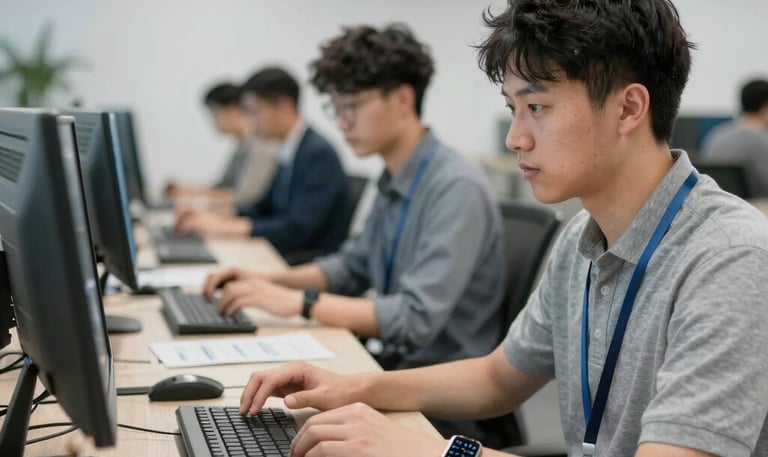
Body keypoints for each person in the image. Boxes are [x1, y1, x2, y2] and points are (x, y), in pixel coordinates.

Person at [231, 1, 768, 457]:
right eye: (513, 109)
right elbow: (497, 379)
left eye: (536, 107)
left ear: (628, 107)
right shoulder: (582, 237)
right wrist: (351, 387)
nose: (515, 138)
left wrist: (432, 450)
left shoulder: (728, 257)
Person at [203, 23, 505, 438]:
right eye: (335, 108)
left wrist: (299, 302)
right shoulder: (394, 176)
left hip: (437, 403)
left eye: (353, 106)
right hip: (386, 370)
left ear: (402, 99)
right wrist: (267, 280)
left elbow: (414, 318)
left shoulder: (455, 187)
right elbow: (352, 266)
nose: (342, 122)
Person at [175, 68, 352, 264]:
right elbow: (262, 207)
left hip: (306, 261)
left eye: (254, 111)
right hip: (284, 254)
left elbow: (297, 230)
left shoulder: (317, 153)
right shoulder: (290, 147)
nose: (250, 121)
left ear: (284, 106)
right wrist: (214, 217)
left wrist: (222, 227)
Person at [165, 82, 279, 208]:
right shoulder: (241, 145)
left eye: (214, 113)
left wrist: (195, 201)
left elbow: (244, 199)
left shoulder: (261, 145)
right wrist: (184, 191)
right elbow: (222, 187)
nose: (213, 121)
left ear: (233, 108)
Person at [701, 78, 768, 198]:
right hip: (754, 209)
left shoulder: (717, 134)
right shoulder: (761, 140)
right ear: (765, 107)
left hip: (717, 207)